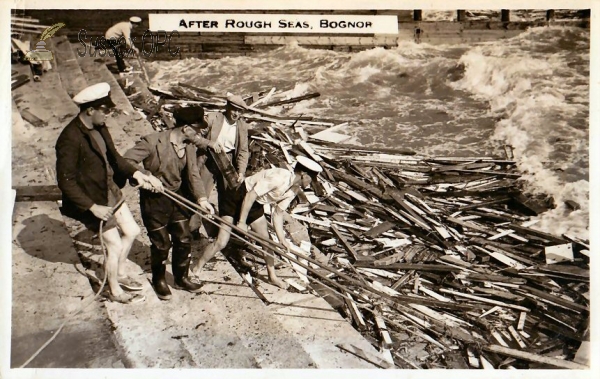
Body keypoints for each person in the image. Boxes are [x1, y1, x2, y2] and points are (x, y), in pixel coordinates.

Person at [56, 82, 161, 304]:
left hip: (109, 190)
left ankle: (119, 272)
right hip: (91, 199)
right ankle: (113, 290)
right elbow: (66, 182)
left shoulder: (100, 127)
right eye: (105, 110)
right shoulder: (69, 139)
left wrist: (138, 174)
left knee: (132, 231)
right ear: (90, 110)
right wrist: (92, 207)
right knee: (113, 244)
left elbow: (115, 158)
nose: (109, 114)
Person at [124, 106, 215, 301]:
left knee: (183, 239)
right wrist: (146, 177)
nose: (198, 133)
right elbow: (126, 161)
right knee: (161, 244)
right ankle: (159, 279)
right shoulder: (152, 142)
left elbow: (192, 174)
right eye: (196, 129)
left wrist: (202, 199)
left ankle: (181, 278)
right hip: (154, 201)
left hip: (178, 198)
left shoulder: (189, 145)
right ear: (185, 128)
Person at [191, 156, 323, 289]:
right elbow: (250, 195)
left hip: (255, 205)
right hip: (237, 197)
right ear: (304, 174)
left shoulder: (294, 190)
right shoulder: (278, 177)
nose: (311, 183)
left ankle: (272, 277)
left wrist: (282, 239)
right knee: (221, 241)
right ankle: (197, 268)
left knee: (267, 243)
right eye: (311, 179)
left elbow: (277, 213)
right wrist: (242, 222)